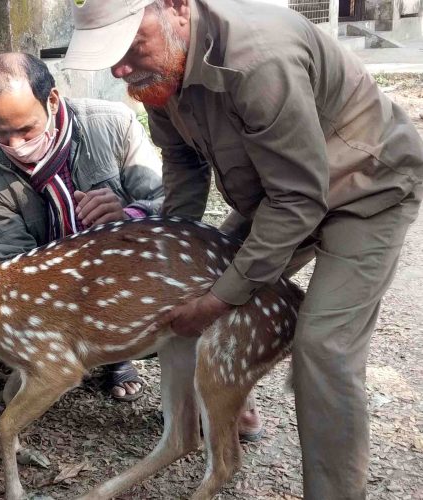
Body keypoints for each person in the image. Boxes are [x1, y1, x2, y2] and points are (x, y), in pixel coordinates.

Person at [61, 0, 423, 498]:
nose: (120, 68)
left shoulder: (258, 58)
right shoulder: (157, 71)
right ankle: (232, 401)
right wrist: (167, 252)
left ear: (175, 7)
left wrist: (216, 301)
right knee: (200, 278)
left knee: (323, 346)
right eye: (110, 57)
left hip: (366, 189)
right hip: (277, 196)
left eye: (128, 48)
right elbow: (183, 162)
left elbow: (300, 199)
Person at [0, 52, 164, 402]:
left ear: (53, 100)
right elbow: (12, 258)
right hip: (49, 283)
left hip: (122, 272)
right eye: (1, 132)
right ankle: (60, 353)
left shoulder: (114, 124)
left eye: (26, 129)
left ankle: (114, 355)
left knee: (175, 304)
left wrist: (128, 216)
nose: (16, 145)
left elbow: (169, 203)